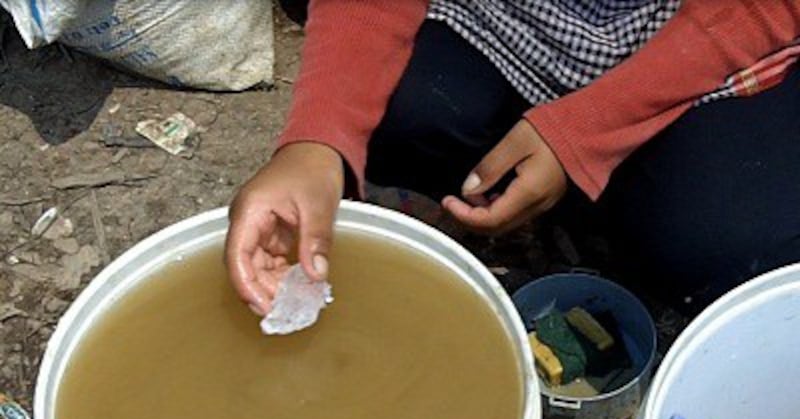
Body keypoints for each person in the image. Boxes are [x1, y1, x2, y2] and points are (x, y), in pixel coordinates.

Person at [225, 0, 800, 316]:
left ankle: (578, 189)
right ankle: (551, 188)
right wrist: (319, 139)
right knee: (400, 111)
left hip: (701, 32)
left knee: (717, 245)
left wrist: (585, 133)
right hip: (514, 15)